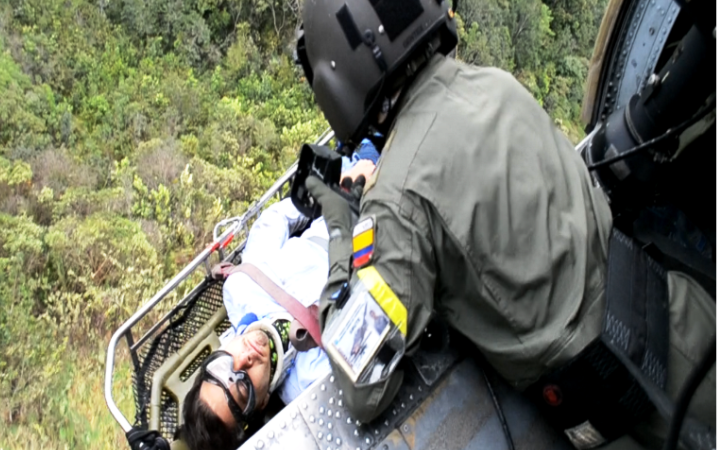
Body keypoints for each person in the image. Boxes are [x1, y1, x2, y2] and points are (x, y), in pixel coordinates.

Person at [295, 1, 717, 449]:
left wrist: (342, 229)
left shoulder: (398, 199)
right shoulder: (493, 83)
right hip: (683, 315)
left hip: (634, 407)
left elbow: (363, 388)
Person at [180, 157, 377, 450]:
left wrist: (336, 188)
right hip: (385, 220)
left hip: (350, 181)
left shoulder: (240, 290)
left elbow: (273, 222)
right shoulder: (313, 383)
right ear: (259, 406)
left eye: (222, 367)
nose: (243, 361)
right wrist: (362, 199)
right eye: (242, 388)